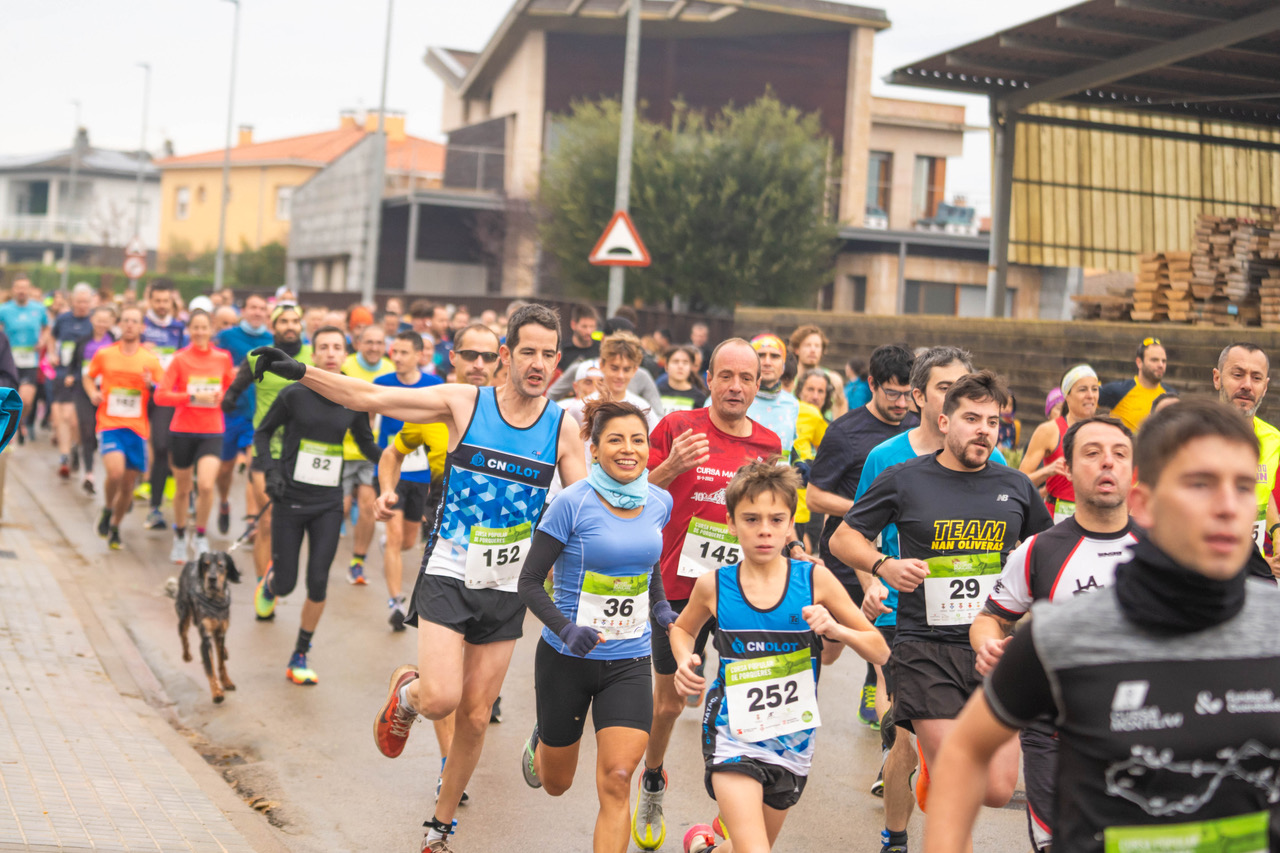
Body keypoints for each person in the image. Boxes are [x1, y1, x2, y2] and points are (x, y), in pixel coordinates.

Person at [254, 304, 587, 852]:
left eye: (549, 355)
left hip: (506, 585)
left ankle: (439, 826)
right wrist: (299, 370)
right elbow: (371, 398)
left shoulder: (562, 429)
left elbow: (585, 514)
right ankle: (406, 697)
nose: (538, 363)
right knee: (439, 700)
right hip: (450, 571)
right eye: (527, 351)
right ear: (506, 355)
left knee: (477, 718)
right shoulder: (464, 402)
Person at [925, 399, 1280, 853]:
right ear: (1145, 503)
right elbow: (964, 752)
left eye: (1245, 486)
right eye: (1200, 484)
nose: (1229, 506)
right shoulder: (1061, 636)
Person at [832, 370, 1051, 852]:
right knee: (961, 781)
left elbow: (1047, 551)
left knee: (995, 789)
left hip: (992, 650)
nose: (983, 431)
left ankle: (934, 766)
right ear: (945, 420)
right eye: (972, 419)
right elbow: (842, 538)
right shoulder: (905, 479)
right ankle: (939, 762)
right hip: (923, 648)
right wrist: (883, 564)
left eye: (993, 422)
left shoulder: (1015, 486)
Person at [674, 461, 889, 853]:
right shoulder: (713, 586)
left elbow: (879, 648)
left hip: (792, 743)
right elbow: (683, 628)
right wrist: (683, 661)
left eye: (776, 519)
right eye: (751, 519)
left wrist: (836, 630)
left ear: (791, 523)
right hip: (731, 735)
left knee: (748, 846)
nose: (764, 530)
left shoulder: (814, 581)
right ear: (731, 522)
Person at [632, 338, 783, 852]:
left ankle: (730, 819)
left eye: (747, 378)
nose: (736, 386)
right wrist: (671, 465)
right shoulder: (676, 428)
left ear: (759, 385)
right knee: (672, 701)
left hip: (743, 586)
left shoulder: (768, 445)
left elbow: (775, 514)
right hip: (677, 584)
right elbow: (634, 492)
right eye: (726, 376)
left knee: (747, 694)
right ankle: (653, 776)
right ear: (708, 379)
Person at [970, 416, 1137, 853]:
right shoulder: (1039, 549)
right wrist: (990, 645)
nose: (1108, 463)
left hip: (1143, 731)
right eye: (1092, 452)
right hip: (1055, 733)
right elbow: (990, 617)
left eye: (1120, 454)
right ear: (1066, 466)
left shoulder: (1164, 551)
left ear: (1134, 470)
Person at [518, 399, 676, 853]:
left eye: (638, 440)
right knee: (556, 784)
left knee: (619, 777)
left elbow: (647, 566)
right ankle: (542, 742)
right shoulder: (572, 502)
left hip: (629, 659)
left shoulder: (658, 502)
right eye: (616, 440)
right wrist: (566, 629)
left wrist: (660, 608)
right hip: (566, 658)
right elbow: (528, 583)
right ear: (594, 448)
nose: (628, 450)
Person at [851, 347, 993, 852]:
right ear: (919, 397)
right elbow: (854, 532)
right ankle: (897, 836)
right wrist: (874, 577)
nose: (957, 398)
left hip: (969, 622)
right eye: (945, 388)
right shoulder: (886, 458)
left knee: (953, 750)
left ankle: (943, 819)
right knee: (907, 743)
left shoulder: (989, 455)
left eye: (966, 388)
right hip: (901, 610)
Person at [374, 322, 502, 803]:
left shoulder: (519, 417)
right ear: (453, 357)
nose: (479, 366)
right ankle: (448, 766)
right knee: (448, 690)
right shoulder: (437, 409)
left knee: (473, 692)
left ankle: (418, 683)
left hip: (500, 563)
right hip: (447, 544)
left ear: (501, 361)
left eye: (488, 358)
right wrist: (387, 489)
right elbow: (392, 451)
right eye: (469, 355)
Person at [250, 325, 382, 685]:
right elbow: (263, 432)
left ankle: (300, 653)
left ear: (345, 352)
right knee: (288, 583)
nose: (330, 353)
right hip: (290, 498)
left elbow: (367, 445)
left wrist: (394, 458)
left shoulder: (353, 399)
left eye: (337, 347)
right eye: (323, 347)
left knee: (319, 582)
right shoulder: (295, 393)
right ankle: (270, 583)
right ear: (314, 353)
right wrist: (271, 472)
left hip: (328, 501)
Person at [806, 343, 917, 732]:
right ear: (871, 384)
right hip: (845, 557)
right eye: (893, 393)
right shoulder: (845, 432)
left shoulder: (919, 429)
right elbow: (815, 495)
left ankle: (877, 691)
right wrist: (868, 508)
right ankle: (805, 690)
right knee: (832, 648)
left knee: (886, 638)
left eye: (909, 393)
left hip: (893, 558)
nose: (902, 402)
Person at [222, 304, 311, 585]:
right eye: (283, 321)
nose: (289, 326)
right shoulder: (256, 357)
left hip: (303, 451)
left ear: (301, 326)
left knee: (292, 522)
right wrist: (226, 401)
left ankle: (282, 570)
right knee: (268, 520)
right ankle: (264, 585)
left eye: (295, 321)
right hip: (265, 449)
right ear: (273, 327)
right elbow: (235, 389)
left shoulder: (314, 357)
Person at [372, 331, 443, 626]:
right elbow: (365, 421)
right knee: (396, 538)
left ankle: (391, 548)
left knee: (409, 539)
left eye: (403, 353)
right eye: (394, 352)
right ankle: (395, 601)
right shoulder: (381, 384)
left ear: (419, 355)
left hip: (424, 473)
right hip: (395, 465)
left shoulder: (435, 387)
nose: (397, 358)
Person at [154, 309, 235, 563]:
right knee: (182, 489)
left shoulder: (223, 358)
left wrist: (222, 396)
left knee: (207, 485)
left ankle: (200, 534)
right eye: (195, 327)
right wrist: (190, 397)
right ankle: (179, 536)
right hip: (182, 431)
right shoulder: (179, 359)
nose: (199, 332)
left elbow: (229, 388)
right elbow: (161, 395)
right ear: (188, 330)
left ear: (211, 330)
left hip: (212, 430)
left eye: (204, 327)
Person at [86, 306, 163, 550]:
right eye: (126, 320)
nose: (130, 325)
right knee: (115, 473)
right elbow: (88, 376)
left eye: (135, 321)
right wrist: (92, 393)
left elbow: (164, 390)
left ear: (142, 327)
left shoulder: (149, 360)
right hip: (109, 423)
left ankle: (116, 524)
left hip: (137, 429)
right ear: (119, 325)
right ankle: (108, 507)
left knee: (129, 484)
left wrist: (152, 385)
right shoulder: (105, 354)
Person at [1212, 343, 1280, 562]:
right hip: (1201, 572)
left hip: (1253, 570)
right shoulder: (1187, 438)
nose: (1247, 385)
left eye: (1257, 378)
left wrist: (1276, 530)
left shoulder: (1273, 440)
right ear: (1217, 378)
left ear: (1265, 387)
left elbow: (1263, 486)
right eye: (1238, 374)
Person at [214, 293, 273, 535]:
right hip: (232, 412)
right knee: (225, 468)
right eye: (253, 307)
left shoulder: (272, 340)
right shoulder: (228, 337)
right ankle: (224, 501)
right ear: (244, 311)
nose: (258, 312)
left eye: (262, 308)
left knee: (253, 466)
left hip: (259, 414)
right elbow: (214, 365)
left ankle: (252, 520)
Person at [341, 325, 393, 584]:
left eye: (379, 342)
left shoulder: (389, 370)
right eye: (368, 342)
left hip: (370, 452)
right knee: (340, 507)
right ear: (358, 343)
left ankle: (357, 562)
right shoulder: (346, 365)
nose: (374, 347)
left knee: (366, 507)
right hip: (340, 450)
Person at [1020, 365, 1100, 522]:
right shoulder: (1049, 430)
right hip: (1057, 519)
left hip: (1094, 518)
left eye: (1095, 389)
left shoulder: (1103, 430)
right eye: (1083, 390)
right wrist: (1048, 471)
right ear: (1067, 396)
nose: (1090, 395)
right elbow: (1020, 481)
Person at [141, 280, 187, 530]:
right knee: (137, 442)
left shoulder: (179, 329)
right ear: (150, 301)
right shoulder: (140, 325)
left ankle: (155, 508)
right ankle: (129, 484)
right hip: (137, 393)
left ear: (172, 302)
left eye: (165, 301)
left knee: (161, 446)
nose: (161, 305)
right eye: (157, 301)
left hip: (164, 395)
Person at [560, 332, 661, 431]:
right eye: (614, 368)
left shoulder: (644, 410)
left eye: (626, 369)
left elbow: (654, 445)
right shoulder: (580, 408)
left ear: (634, 370)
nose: (620, 376)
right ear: (602, 366)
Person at [69, 304, 117, 495]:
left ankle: (79, 449)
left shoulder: (115, 342)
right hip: (83, 390)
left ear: (112, 322)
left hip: (108, 391)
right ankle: (89, 473)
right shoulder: (82, 341)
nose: (102, 324)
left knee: (98, 432)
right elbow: (73, 365)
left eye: (106, 321)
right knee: (87, 430)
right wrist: (71, 376)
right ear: (92, 320)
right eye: (99, 320)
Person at [49, 283, 96, 479]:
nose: (82, 305)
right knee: (64, 416)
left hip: (85, 375)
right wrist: (52, 353)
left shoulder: (94, 322)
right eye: (79, 301)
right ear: (73, 301)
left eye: (86, 301)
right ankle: (64, 455)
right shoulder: (63, 319)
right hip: (63, 373)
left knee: (77, 421)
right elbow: (52, 337)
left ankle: (76, 446)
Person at [0, 274, 49, 443]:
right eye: (18, 287)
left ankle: (20, 421)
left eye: (24, 287)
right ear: (13, 290)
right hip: (8, 362)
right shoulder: (4, 309)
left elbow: (47, 328)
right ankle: (13, 425)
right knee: (10, 396)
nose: (21, 291)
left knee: (26, 400)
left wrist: (43, 340)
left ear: (29, 289)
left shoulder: (39, 309)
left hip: (30, 361)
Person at [1098, 336, 1172, 433]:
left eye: (1164, 361)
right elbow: (1085, 402)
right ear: (1139, 362)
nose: (1161, 365)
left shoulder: (1170, 396)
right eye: (1154, 360)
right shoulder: (1118, 391)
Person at [789, 324, 847, 420]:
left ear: (822, 350)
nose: (813, 350)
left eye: (817, 346)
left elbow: (840, 407)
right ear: (797, 349)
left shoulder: (833, 379)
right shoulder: (787, 378)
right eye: (807, 345)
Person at [656, 345, 707, 412]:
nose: (680, 366)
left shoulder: (699, 397)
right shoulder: (656, 392)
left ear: (691, 367)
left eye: (685, 362)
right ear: (666, 366)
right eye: (675, 362)